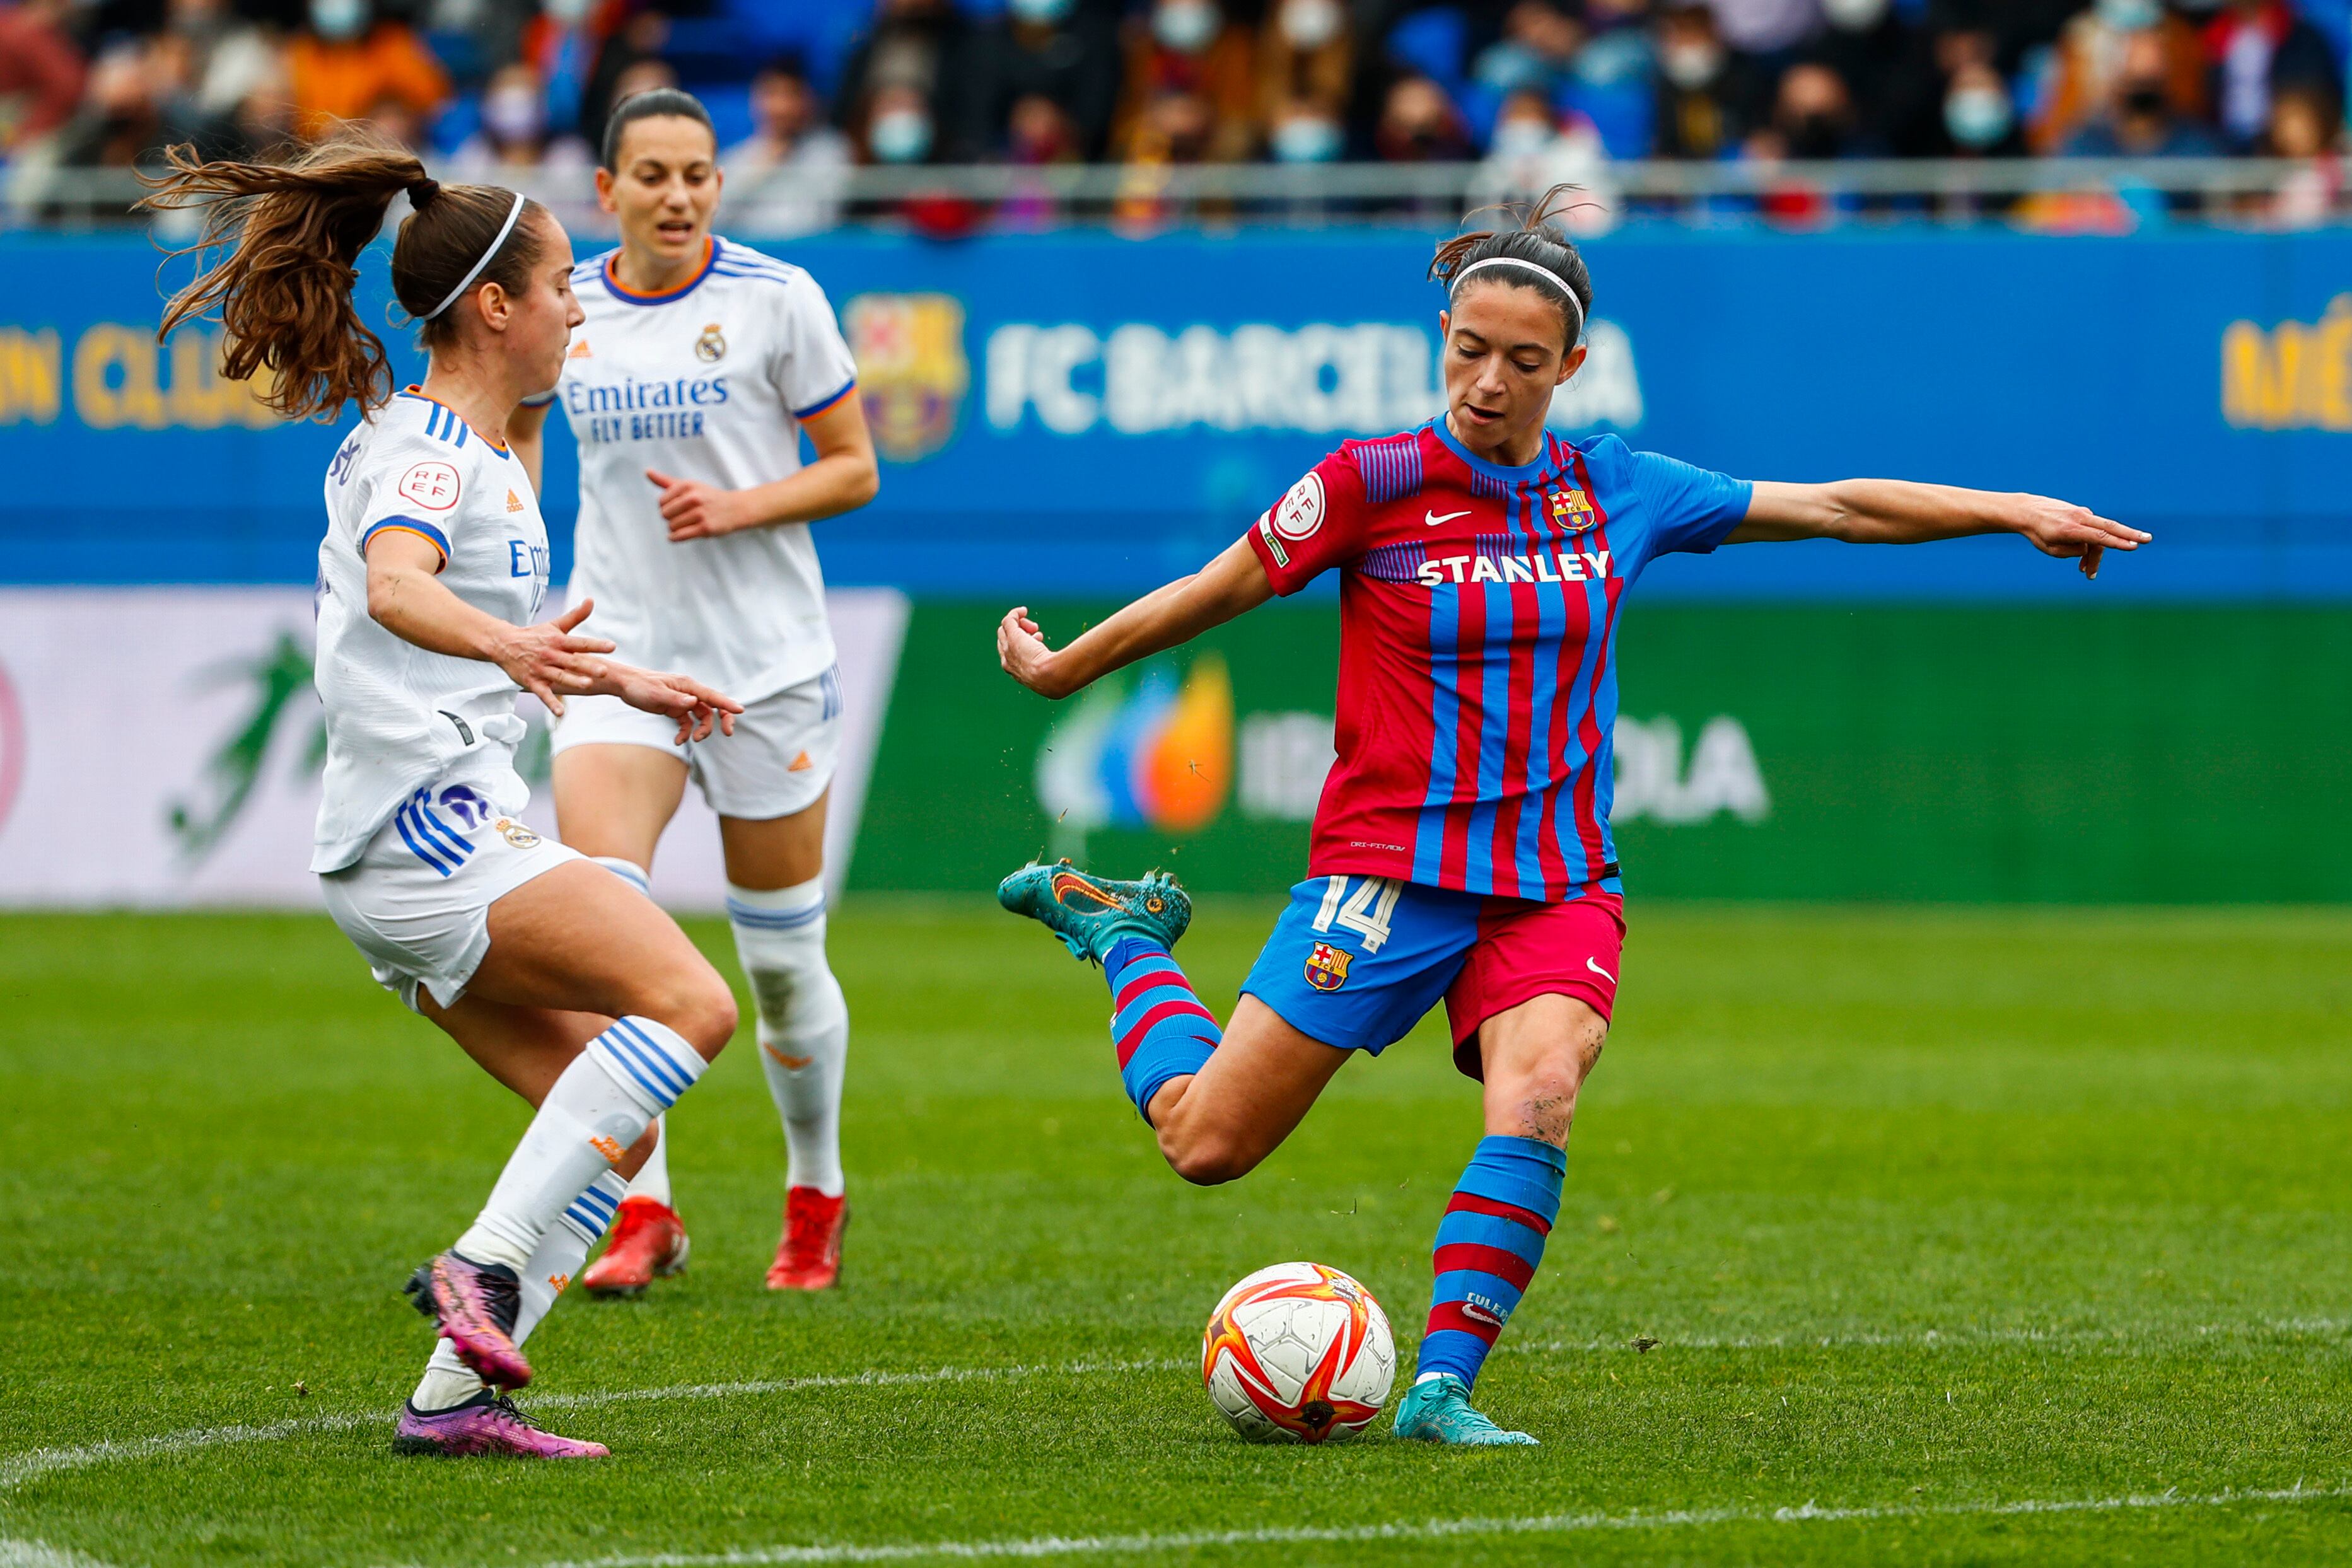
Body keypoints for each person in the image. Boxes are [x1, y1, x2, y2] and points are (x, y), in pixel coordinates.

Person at [993, 187, 2147, 1448]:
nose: (1486, 380)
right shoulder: (1368, 482)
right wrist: (1067, 667)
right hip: (1388, 871)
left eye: (1521, 361)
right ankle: (1123, 941)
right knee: (1205, 1141)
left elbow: (1831, 504)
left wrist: (2011, 508)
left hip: (1551, 882)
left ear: (1572, 366)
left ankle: (1439, 1386)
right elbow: (1217, 588)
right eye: (1466, 349)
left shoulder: (1619, 486)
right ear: (1442, 338)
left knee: (1537, 1089)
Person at [141, 136, 746, 1457]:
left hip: (406, 842)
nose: (579, 305)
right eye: (560, 287)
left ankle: (450, 1399)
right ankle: (478, 1264)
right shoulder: (431, 454)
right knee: (695, 1004)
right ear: (493, 306)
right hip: (426, 837)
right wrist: (516, 648)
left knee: (614, 1126)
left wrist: (618, 678)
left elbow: (458, 628)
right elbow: (402, 585)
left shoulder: (484, 453)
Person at [524, 88, 880, 1298]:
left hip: (766, 668)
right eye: (654, 176)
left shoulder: (777, 301)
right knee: (610, 941)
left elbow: (853, 469)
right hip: (619, 665)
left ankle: (814, 1189)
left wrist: (738, 506)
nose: (678, 196)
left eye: (698, 174)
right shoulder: (565, 316)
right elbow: (517, 453)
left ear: (718, 186)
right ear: (607, 190)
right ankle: (643, 1211)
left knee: (779, 963)